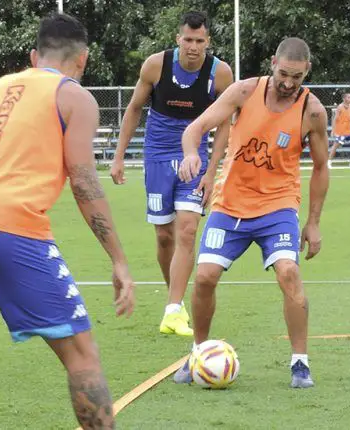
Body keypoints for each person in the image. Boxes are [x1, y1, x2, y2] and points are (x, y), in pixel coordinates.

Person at [0, 13, 135, 429]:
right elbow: (84, 180)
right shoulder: (75, 97)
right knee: (82, 355)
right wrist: (119, 260)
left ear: (34, 56)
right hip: (12, 229)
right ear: (82, 61)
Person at [174, 37, 330, 389]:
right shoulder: (244, 92)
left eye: (297, 77)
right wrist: (190, 155)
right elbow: (195, 128)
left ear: (307, 72)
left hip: (278, 206)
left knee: (289, 272)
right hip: (230, 204)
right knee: (204, 277)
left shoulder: (313, 111)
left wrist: (314, 222)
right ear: (272, 63)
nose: (289, 83)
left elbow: (321, 167)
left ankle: (300, 364)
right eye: (284, 74)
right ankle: (198, 352)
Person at [110, 11, 234, 337]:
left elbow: (225, 123)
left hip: (194, 158)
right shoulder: (156, 65)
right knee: (164, 235)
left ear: (208, 42)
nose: (193, 47)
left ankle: (174, 309)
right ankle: (173, 300)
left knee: (188, 230)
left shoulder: (220, 74)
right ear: (179, 39)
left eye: (200, 41)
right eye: (188, 40)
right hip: (158, 155)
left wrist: (213, 170)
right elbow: (134, 108)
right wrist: (119, 157)